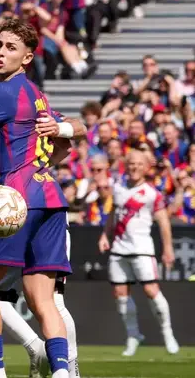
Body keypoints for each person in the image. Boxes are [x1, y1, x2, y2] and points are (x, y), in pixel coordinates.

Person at [0, 18, 86, 378]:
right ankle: (61, 371)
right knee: (42, 298)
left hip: (13, 199)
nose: (0, 52)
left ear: (27, 58)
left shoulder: (4, 92)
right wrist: (59, 135)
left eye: (11, 48)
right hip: (50, 197)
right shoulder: (37, 95)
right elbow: (72, 138)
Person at [98, 149, 179, 356]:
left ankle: (167, 333)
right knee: (120, 294)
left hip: (142, 249)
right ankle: (133, 336)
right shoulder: (118, 188)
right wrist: (105, 235)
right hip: (119, 249)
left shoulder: (152, 193)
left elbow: (163, 223)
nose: (134, 167)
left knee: (152, 291)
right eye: (131, 163)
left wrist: (168, 248)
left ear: (146, 167)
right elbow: (113, 215)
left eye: (139, 164)